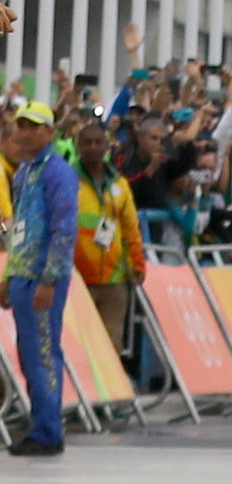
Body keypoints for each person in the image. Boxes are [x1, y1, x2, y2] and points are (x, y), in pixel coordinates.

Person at [8, 102, 79, 457]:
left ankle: (49, 431)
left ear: (50, 132)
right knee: (29, 353)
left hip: (42, 279)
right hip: (23, 275)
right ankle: (39, 423)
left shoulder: (58, 173)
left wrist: (50, 279)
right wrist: (9, 275)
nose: (25, 131)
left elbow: (64, 230)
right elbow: (19, 227)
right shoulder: (24, 172)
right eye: (22, 125)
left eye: (34, 126)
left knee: (44, 353)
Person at [72, 122, 147, 357]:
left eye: (98, 142)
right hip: (75, 278)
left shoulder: (120, 184)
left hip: (114, 279)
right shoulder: (66, 180)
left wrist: (137, 262)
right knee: (77, 344)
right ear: (78, 146)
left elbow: (131, 228)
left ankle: (108, 394)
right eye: (87, 142)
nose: (93, 147)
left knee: (110, 346)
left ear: (107, 147)